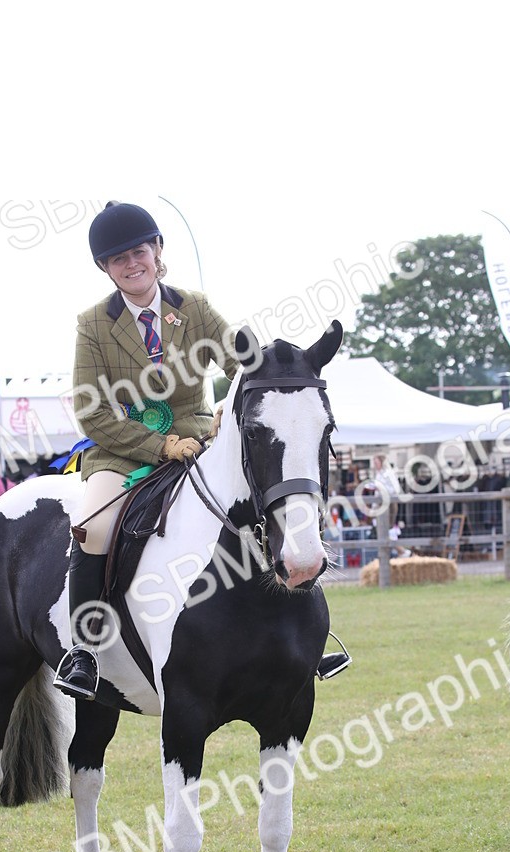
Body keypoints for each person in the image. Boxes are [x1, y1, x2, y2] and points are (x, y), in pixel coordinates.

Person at [54, 201, 350, 698]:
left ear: (157, 251)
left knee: (264, 506)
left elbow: (245, 364)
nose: (131, 264)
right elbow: (92, 413)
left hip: (198, 443)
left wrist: (236, 405)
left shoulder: (193, 307)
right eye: (118, 259)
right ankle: (84, 650)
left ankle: (308, 636)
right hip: (122, 451)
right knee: (93, 528)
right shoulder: (92, 325)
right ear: (105, 268)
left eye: (138, 252)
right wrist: (157, 443)